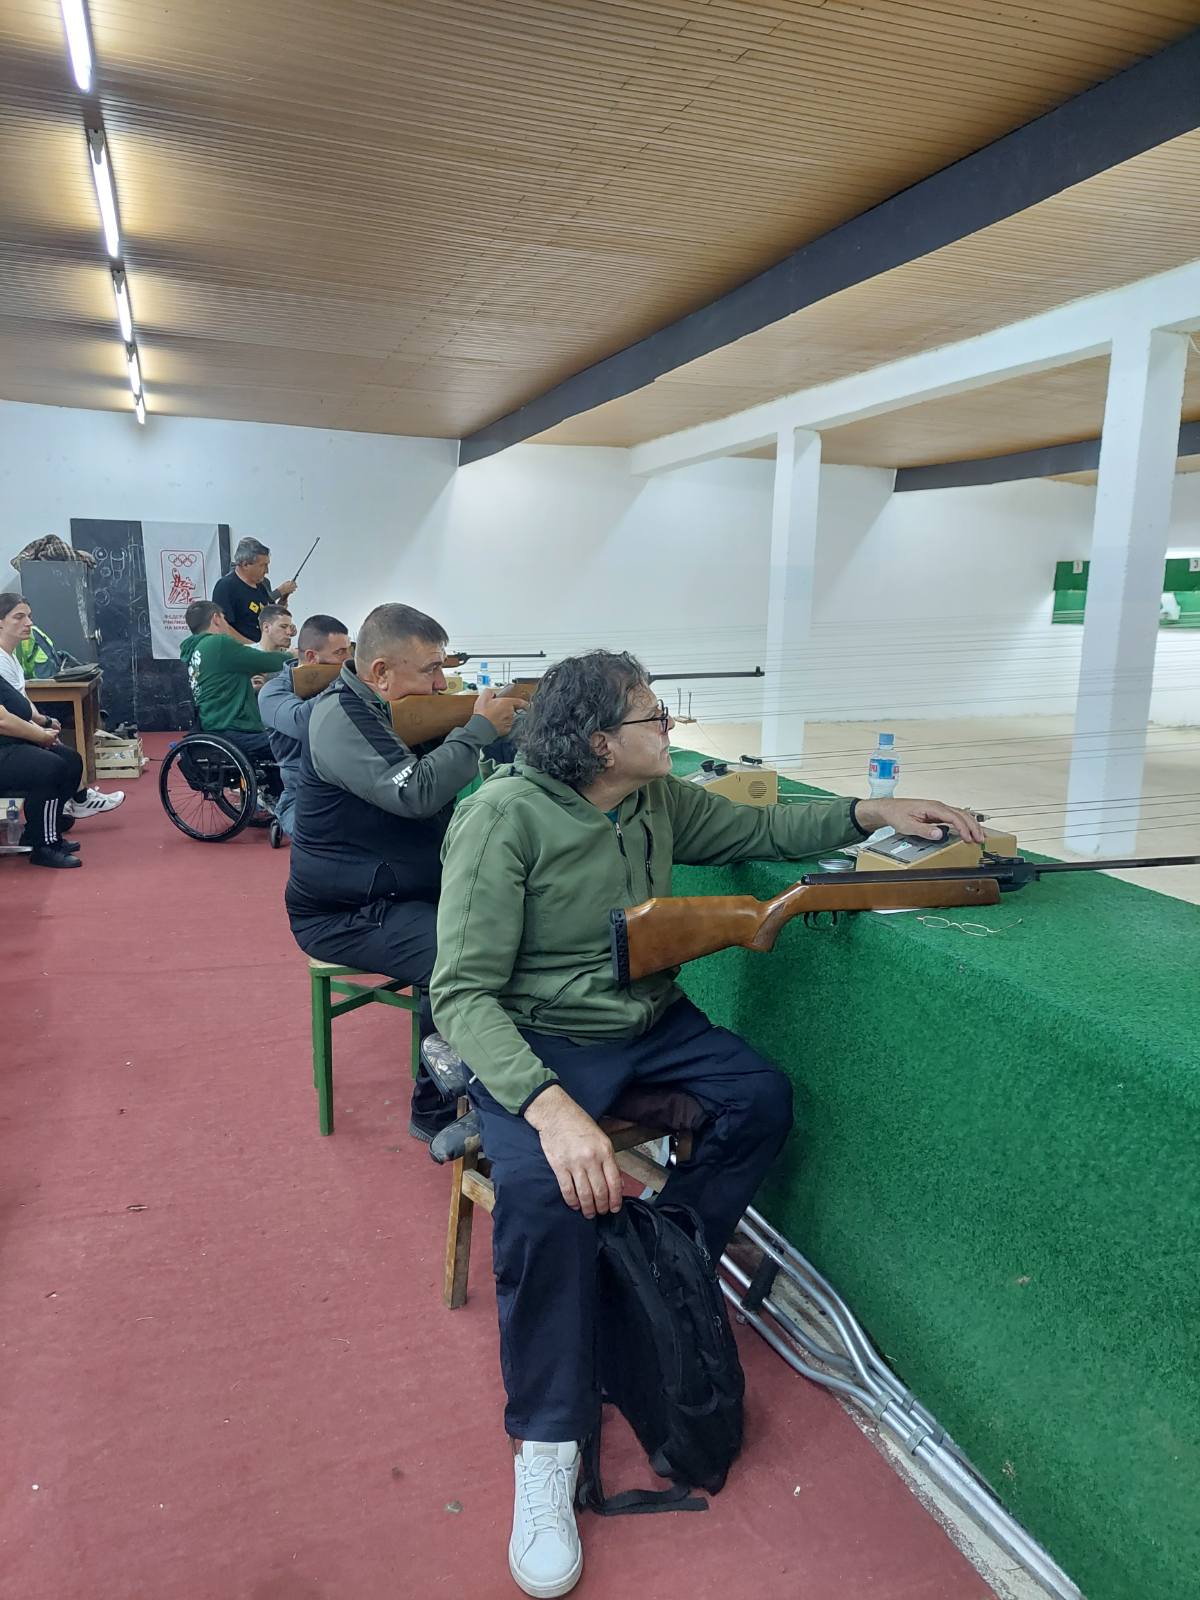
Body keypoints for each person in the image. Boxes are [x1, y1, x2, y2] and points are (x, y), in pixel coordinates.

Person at [429, 650, 985, 1599]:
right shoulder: (501, 818)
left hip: (649, 1025)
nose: (670, 729)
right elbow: (462, 995)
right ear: (599, 743)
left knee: (758, 1099)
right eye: (654, 717)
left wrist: (871, 811)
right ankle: (549, 1442)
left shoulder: (653, 798)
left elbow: (760, 826)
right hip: (536, 1041)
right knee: (541, 1197)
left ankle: (659, 1274)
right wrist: (552, 1110)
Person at [286, 602, 524, 1142]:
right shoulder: (339, 718)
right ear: (381, 673)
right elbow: (414, 791)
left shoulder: (388, 706)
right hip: (344, 912)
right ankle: (435, 1109)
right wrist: (477, 730)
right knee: (457, 956)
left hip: (401, 892)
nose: (441, 683)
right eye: (431, 670)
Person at [0, 591, 124, 820]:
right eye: (19, 617)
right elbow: (6, 717)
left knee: (70, 758)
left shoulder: (11, 656)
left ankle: (67, 806)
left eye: (29, 616)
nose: (28, 623)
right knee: (56, 763)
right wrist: (40, 735)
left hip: (18, 733)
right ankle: (60, 811)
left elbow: (21, 698)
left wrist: (44, 722)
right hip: (7, 742)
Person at [257, 612, 352, 838]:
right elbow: (302, 723)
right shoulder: (273, 691)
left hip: (351, 789)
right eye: (340, 653)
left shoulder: (342, 685)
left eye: (350, 651)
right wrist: (346, 683)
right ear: (311, 656)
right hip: (302, 795)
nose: (349, 660)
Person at [178, 599, 293, 767]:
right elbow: (267, 661)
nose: (227, 625)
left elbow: (221, 680)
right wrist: (294, 656)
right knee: (294, 741)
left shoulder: (196, 650)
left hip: (214, 725)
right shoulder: (219, 643)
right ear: (216, 618)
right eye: (225, 619)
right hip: (236, 728)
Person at [0, 668, 85, 868]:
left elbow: (16, 709)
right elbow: (2, 720)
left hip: (9, 744)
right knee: (48, 767)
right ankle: (45, 846)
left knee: (70, 760)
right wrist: (40, 736)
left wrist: (40, 731)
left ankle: (37, 833)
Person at [211, 538, 298, 645]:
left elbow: (270, 617)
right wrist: (253, 647)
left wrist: (285, 625)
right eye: (262, 565)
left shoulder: (262, 584)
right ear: (245, 564)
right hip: (242, 651)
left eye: (267, 565)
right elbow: (222, 626)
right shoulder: (225, 587)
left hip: (263, 649)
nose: (267, 571)